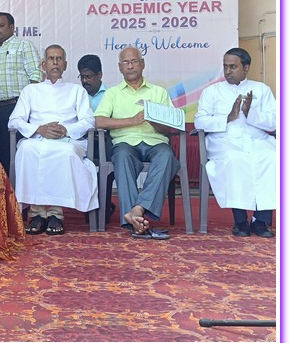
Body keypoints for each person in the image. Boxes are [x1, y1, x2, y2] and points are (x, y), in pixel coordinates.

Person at [9, 45, 98, 235]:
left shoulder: (76, 91)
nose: (55, 62)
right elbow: (14, 120)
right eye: (51, 58)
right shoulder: (30, 90)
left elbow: (88, 120)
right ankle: (37, 213)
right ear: (43, 64)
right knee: (26, 149)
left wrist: (66, 129)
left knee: (63, 152)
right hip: (37, 138)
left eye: (59, 59)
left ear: (65, 65)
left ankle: (56, 214)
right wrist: (38, 129)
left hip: (67, 140)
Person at [94, 47, 179, 239]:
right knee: (122, 156)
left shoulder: (158, 92)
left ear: (142, 64)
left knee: (167, 156)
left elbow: (170, 128)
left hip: (155, 142)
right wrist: (132, 121)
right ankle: (137, 219)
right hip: (125, 143)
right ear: (120, 67)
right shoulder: (112, 93)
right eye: (126, 62)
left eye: (134, 61)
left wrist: (153, 120)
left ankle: (136, 211)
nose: (130, 66)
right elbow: (100, 121)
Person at [194, 48, 276, 238]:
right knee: (235, 160)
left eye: (233, 66)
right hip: (224, 141)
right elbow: (200, 121)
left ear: (246, 67)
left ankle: (261, 221)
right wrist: (228, 117)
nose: (228, 71)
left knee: (272, 157)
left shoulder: (261, 89)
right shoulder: (212, 91)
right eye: (225, 66)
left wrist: (250, 113)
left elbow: (275, 121)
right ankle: (240, 222)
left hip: (256, 140)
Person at [0, 12, 42, 177]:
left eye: (1, 26)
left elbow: (36, 75)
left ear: (11, 27)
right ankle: (4, 189)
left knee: (21, 151)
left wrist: (29, 105)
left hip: (19, 107)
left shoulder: (24, 46)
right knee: (0, 153)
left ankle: (22, 189)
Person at [77, 53, 115, 222]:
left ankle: (103, 206)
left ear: (99, 75)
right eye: (82, 77)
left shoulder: (111, 95)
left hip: (104, 140)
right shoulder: (77, 94)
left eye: (89, 76)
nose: (85, 81)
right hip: (81, 140)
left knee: (108, 163)